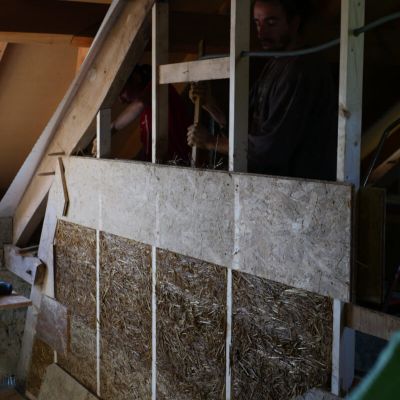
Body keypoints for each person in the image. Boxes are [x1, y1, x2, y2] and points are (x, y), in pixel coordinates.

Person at [187, 0, 337, 181]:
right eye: (258, 23)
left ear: (294, 23)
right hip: (274, 187)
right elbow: (250, 127)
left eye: (271, 23)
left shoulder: (301, 70)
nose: (261, 33)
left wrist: (212, 142)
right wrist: (211, 106)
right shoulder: (276, 62)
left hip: (299, 188)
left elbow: (269, 149)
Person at [95, 64, 191, 163]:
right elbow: (148, 152)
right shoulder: (145, 112)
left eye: (122, 92)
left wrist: (110, 129)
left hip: (179, 165)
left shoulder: (158, 86)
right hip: (161, 167)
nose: (121, 101)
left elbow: (140, 104)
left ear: (136, 78)